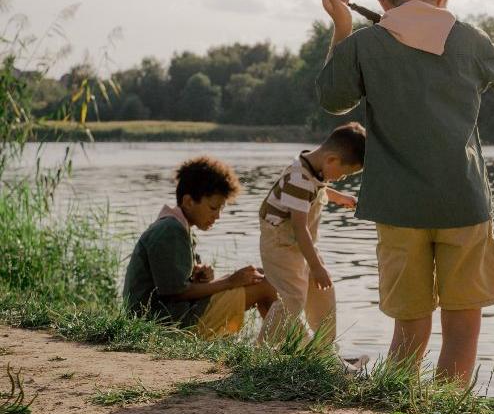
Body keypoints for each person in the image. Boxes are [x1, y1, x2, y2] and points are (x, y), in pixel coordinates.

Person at [315, 0, 494, 382]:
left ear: (384, 2)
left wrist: (344, 28)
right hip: (462, 201)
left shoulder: (365, 44)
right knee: (463, 321)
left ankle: (400, 399)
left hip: (397, 205)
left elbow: (333, 99)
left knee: (409, 321)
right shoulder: (471, 37)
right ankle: (446, 408)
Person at [123, 156, 276, 339]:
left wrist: (199, 277)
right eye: (213, 208)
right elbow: (176, 293)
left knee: (258, 275)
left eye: (221, 209)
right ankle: (289, 349)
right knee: (266, 283)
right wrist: (229, 281)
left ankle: (279, 346)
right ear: (188, 201)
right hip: (165, 326)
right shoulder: (170, 230)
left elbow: (174, 284)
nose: (217, 216)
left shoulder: (179, 227)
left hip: (173, 316)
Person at [258, 122, 365, 346]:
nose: (342, 177)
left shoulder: (313, 170)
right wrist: (316, 267)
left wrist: (339, 197)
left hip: (300, 244)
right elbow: (299, 227)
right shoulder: (299, 178)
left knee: (323, 294)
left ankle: (324, 352)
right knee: (293, 299)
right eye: (345, 173)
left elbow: (318, 189)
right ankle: (262, 349)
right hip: (280, 246)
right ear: (332, 160)